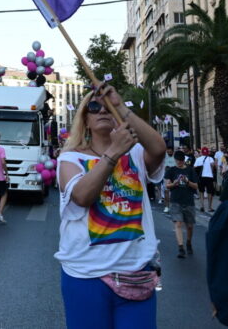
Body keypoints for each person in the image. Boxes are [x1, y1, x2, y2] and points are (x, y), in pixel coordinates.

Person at [55, 85, 166, 329]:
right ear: (85, 118)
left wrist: (121, 107)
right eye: (95, 107)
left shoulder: (136, 153)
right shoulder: (70, 158)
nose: (102, 110)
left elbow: (158, 148)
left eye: (108, 107)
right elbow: (82, 196)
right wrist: (114, 152)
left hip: (135, 272)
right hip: (86, 274)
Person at [164, 150, 197, 258]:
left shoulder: (190, 170)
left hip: (188, 201)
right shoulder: (171, 170)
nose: (179, 162)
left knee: (190, 226)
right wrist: (175, 183)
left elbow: (196, 186)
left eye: (181, 161)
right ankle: (181, 247)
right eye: (177, 161)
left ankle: (188, 242)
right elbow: (167, 186)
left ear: (184, 160)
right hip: (176, 201)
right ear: (175, 160)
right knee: (178, 224)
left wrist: (187, 181)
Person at [193, 148, 216, 212]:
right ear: (207, 152)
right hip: (209, 177)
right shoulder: (210, 158)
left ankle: (202, 206)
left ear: (202, 152)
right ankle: (209, 207)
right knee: (210, 192)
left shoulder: (198, 159)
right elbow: (213, 166)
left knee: (201, 192)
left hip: (201, 177)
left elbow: (194, 167)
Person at [161, 147, 176, 212]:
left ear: (173, 151)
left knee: (174, 192)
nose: (169, 153)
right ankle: (166, 207)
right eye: (168, 152)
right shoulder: (164, 158)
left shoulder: (175, 158)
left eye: (170, 152)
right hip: (166, 177)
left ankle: (174, 206)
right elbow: (165, 168)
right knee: (166, 192)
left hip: (174, 177)